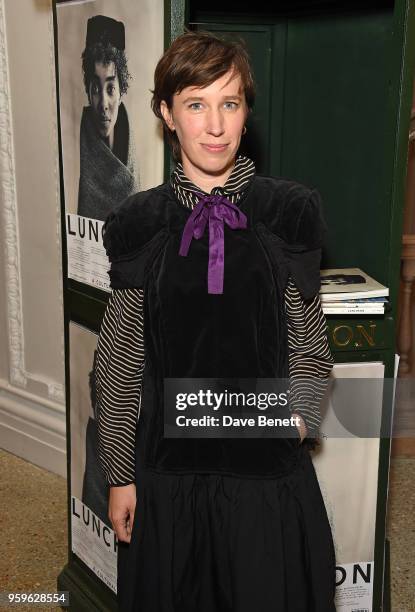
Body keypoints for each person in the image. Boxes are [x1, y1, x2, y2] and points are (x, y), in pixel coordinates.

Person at [95, 30, 336, 611]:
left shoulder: (286, 213)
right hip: (169, 476)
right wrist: (120, 472)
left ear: (246, 112)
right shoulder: (140, 225)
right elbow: (121, 361)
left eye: (229, 104)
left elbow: (308, 338)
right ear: (166, 114)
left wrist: (299, 418)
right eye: (195, 105)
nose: (215, 126)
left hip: (263, 475)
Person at [77, 14, 139, 221]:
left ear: (122, 91)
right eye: (96, 88)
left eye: (111, 88)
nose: (103, 104)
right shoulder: (80, 148)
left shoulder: (132, 154)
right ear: (87, 90)